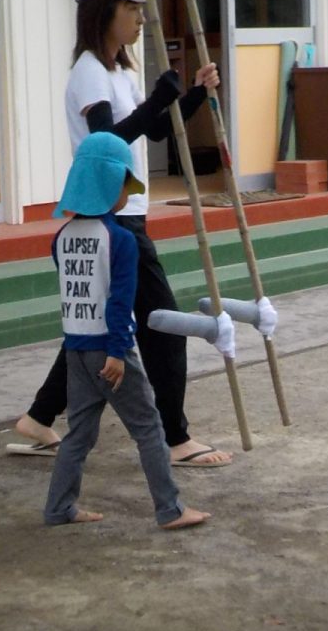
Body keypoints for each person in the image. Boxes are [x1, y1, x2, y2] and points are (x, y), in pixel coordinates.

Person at [9, 0, 234, 468]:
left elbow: (154, 129)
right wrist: (158, 99)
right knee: (163, 325)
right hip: (112, 219)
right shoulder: (89, 71)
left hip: (123, 212)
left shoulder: (118, 71)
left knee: (97, 325)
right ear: (103, 11)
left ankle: (39, 417)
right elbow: (107, 143)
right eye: (131, 8)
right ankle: (176, 438)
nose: (140, 19)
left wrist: (194, 93)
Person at [43, 133, 210, 531]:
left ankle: (58, 508)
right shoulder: (121, 239)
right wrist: (118, 352)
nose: (127, 194)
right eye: (124, 185)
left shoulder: (62, 238)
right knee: (149, 427)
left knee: (79, 434)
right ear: (108, 183)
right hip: (110, 351)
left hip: (75, 350)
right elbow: (120, 302)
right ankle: (170, 509)